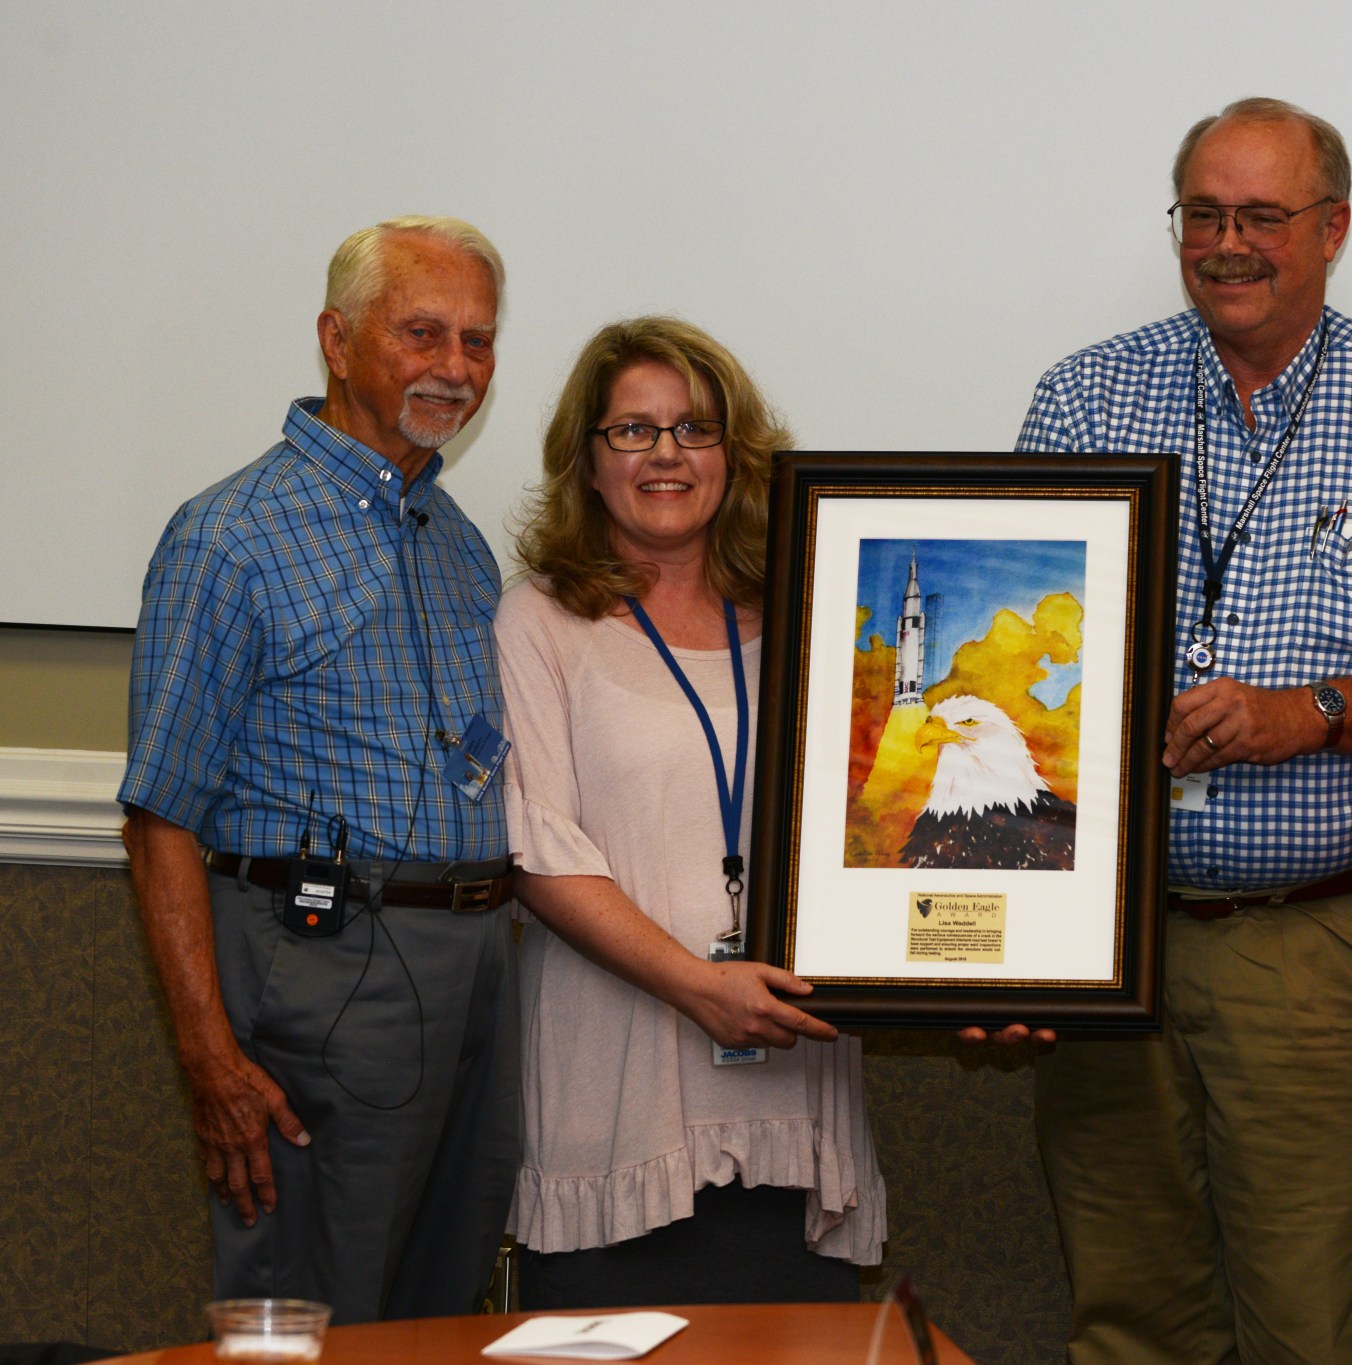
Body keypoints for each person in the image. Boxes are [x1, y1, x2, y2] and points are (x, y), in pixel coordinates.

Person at [1008, 97, 1352, 1365]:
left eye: (1261, 216)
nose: (1227, 243)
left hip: (1319, 948)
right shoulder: (1084, 397)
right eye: (1203, 213)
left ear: (1333, 228)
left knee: (1316, 1329)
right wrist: (1010, 944)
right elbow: (1024, 663)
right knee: (1128, 1321)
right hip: (1110, 950)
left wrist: (1312, 716)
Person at [118, 216, 519, 1324]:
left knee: (444, 1311)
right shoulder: (228, 537)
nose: (454, 368)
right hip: (323, 967)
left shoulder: (456, 539)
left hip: (479, 965)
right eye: (422, 333)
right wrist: (208, 1058)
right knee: (311, 1314)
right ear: (337, 343)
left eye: (478, 341)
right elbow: (158, 822)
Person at [496, 316, 884, 1308]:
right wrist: (696, 986)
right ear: (586, 462)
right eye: (633, 431)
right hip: (615, 1090)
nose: (666, 454)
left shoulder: (811, 609)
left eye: (694, 429)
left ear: (734, 455)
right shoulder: (542, 621)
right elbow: (540, 853)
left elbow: (879, 826)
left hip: (788, 1084)